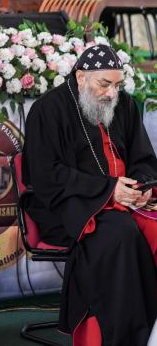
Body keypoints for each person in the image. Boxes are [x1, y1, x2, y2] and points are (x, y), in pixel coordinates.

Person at [23, 44, 157, 346]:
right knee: (120, 233)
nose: (112, 93)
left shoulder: (124, 105)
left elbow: (143, 158)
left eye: (117, 85)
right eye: (104, 84)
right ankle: (123, 337)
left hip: (124, 202)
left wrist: (142, 186)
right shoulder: (48, 110)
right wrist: (108, 191)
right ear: (81, 77)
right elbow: (46, 176)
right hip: (69, 205)